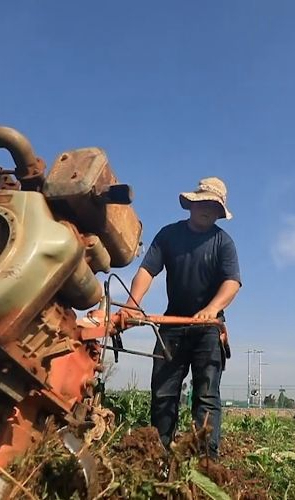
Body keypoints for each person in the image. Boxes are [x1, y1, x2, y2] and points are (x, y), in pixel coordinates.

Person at [120, 176, 241, 459]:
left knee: (206, 395)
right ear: (192, 204)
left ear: (219, 212)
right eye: (204, 202)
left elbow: (232, 282)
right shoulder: (169, 235)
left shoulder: (223, 243)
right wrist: (132, 304)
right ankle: (159, 453)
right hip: (172, 325)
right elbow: (147, 270)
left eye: (214, 206)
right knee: (163, 392)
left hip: (208, 328)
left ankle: (205, 459)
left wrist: (212, 309)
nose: (207, 209)